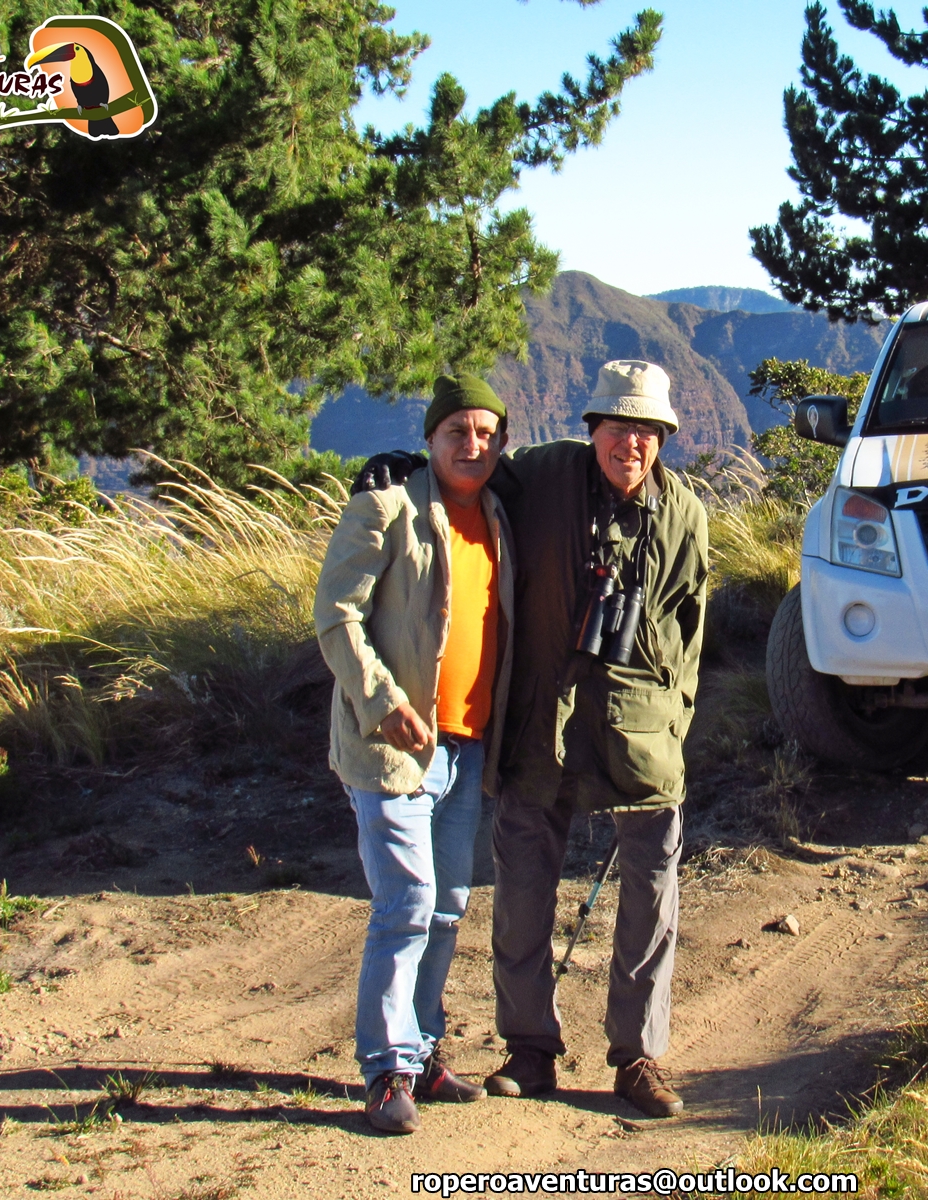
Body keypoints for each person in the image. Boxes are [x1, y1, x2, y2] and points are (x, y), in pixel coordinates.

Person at [354, 359, 708, 1118]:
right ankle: (529, 1049)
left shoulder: (684, 513)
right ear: (593, 429)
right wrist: (406, 469)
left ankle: (638, 1057)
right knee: (520, 887)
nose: (631, 444)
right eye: (618, 428)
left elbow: (690, 623)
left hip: (642, 730)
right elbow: (467, 476)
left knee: (652, 889)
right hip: (539, 720)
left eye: (647, 432)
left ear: (663, 438)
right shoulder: (543, 475)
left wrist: (676, 716)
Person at [314, 373, 515, 1135]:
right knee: (405, 906)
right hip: (392, 745)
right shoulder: (386, 505)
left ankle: (424, 1049)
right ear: (430, 438)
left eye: (487, 433)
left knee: (447, 906)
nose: (473, 445)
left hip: (468, 745)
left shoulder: (500, 512)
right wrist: (381, 700)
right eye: (457, 431)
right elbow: (335, 613)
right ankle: (387, 1069)